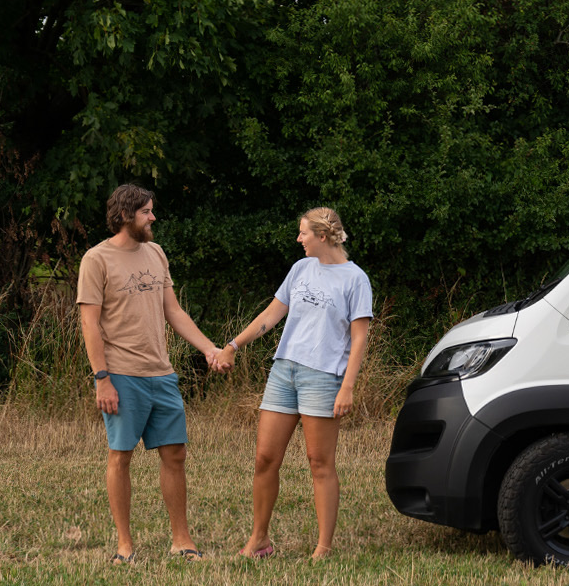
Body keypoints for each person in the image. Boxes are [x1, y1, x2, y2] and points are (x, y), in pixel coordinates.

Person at [215, 207, 373, 560]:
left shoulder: (355, 279)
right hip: (284, 371)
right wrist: (232, 346)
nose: (298, 239)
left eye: (303, 233)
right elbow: (272, 314)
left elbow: (359, 338)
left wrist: (347, 386)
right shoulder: (301, 269)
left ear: (322, 236)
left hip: (324, 376)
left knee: (319, 462)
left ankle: (324, 547)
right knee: (265, 458)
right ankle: (259, 540)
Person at [77, 183, 222, 564]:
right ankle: (125, 546)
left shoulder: (156, 253)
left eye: (152, 211)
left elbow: (173, 311)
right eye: (146, 212)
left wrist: (208, 347)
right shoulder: (97, 259)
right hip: (121, 375)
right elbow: (89, 324)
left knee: (175, 454)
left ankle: (181, 540)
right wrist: (102, 378)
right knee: (120, 456)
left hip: (162, 374)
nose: (153, 217)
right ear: (125, 215)